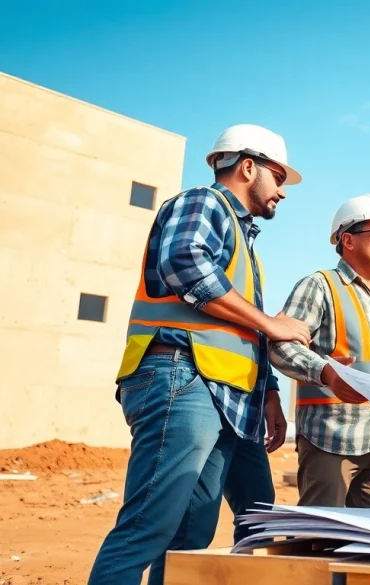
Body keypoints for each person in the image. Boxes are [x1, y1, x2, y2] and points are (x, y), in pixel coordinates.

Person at [89, 124, 310, 585]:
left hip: (221, 391)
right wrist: (271, 324)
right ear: (248, 167)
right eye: (279, 177)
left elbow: (239, 328)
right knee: (148, 527)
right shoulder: (202, 202)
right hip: (181, 376)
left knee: (191, 532)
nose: (283, 193)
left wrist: (268, 391)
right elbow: (183, 263)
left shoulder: (244, 243)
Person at [269, 194, 370, 508]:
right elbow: (281, 345)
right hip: (332, 439)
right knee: (317, 543)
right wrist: (326, 372)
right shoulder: (320, 286)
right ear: (348, 240)